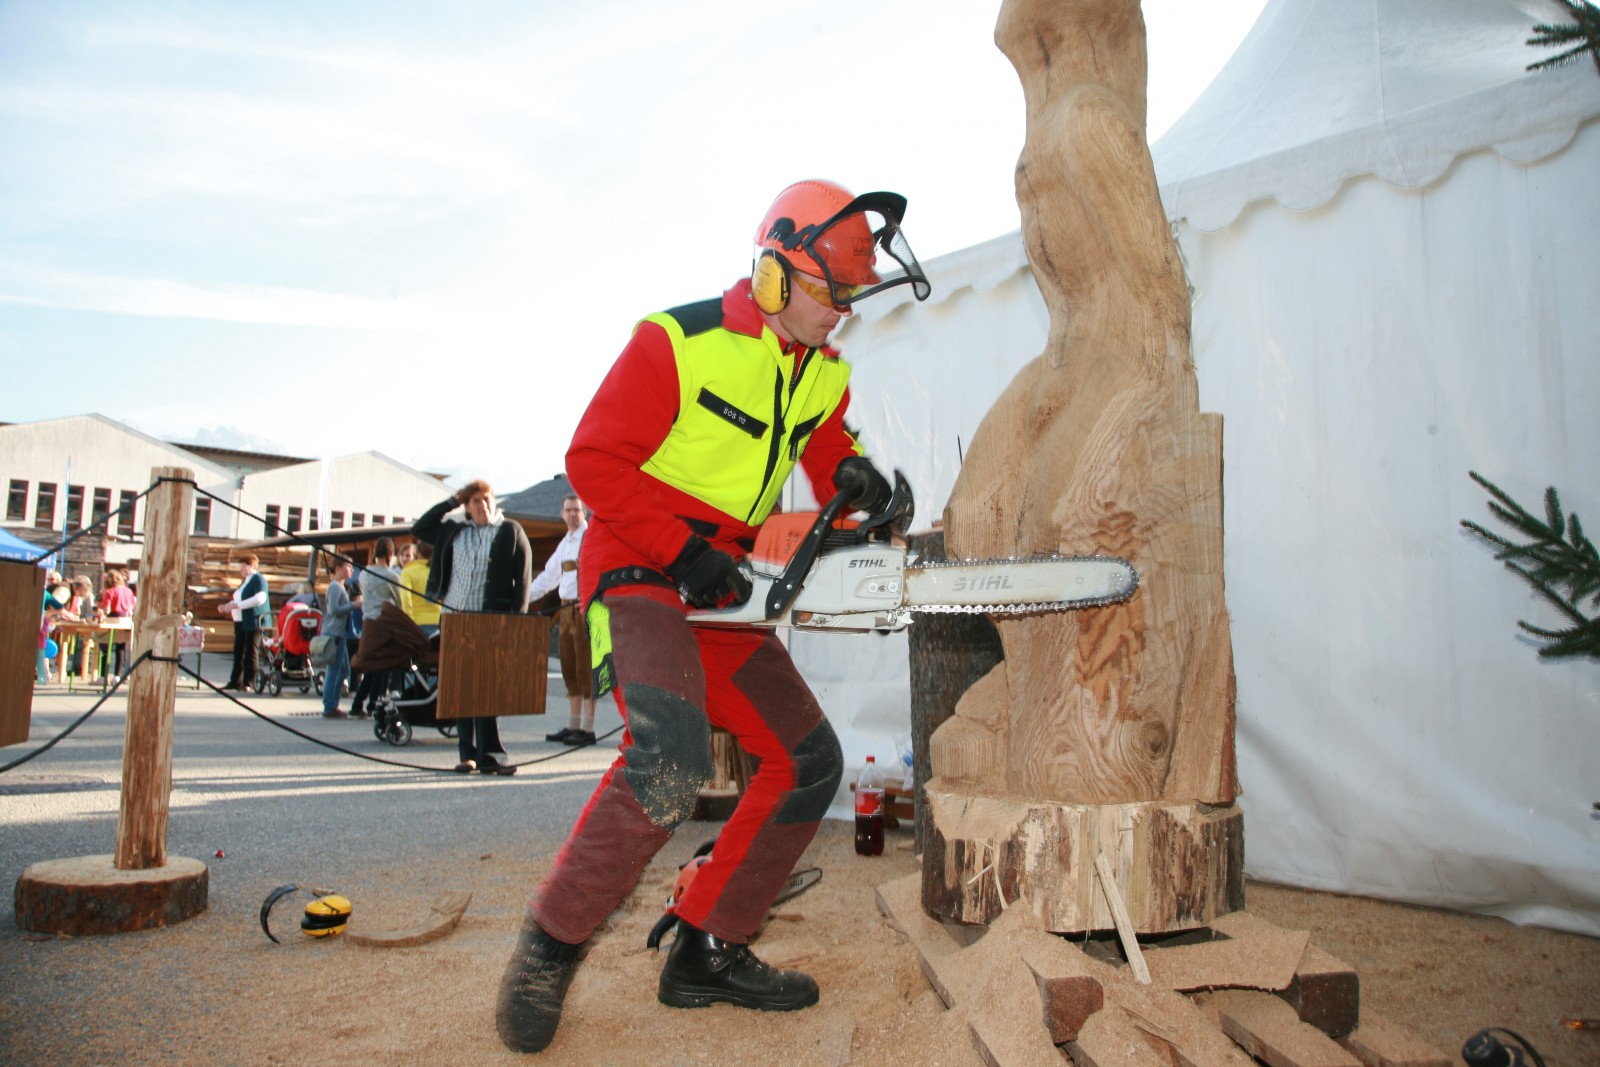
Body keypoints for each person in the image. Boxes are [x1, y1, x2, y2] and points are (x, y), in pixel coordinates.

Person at [494, 178, 928, 1054]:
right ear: (774, 271)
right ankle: (548, 947)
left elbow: (832, 449)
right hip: (644, 567)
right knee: (670, 757)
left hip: (728, 588)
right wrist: (682, 548)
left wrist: (865, 488)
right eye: (830, 293)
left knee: (809, 759)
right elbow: (592, 458)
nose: (840, 314)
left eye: (851, 298)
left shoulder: (820, 373)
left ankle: (709, 943)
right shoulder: (677, 343)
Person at [412, 479, 532, 776]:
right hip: (455, 618)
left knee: (488, 689)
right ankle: (467, 754)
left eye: (487, 499)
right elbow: (421, 528)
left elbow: (524, 582)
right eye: (475, 501)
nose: (483, 506)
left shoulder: (510, 531)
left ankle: (491, 754)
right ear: (467, 506)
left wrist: (516, 624)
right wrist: (453, 500)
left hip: (491, 621)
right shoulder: (455, 531)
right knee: (460, 688)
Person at [530, 493, 597, 746]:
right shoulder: (565, 543)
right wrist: (523, 597)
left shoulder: (590, 538)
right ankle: (573, 724)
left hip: (585, 609)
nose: (572, 514)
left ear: (584, 513)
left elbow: (602, 571)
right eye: (568, 510)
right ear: (561, 514)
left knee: (586, 666)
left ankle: (588, 728)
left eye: (576, 510)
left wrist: (590, 599)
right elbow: (549, 577)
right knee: (569, 665)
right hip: (566, 609)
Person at [351, 536, 403, 717]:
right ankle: (374, 704)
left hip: (368, 622)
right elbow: (399, 601)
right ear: (391, 553)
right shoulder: (391, 576)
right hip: (384, 623)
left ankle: (357, 705)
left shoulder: (364, 574)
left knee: (372, 665)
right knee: (382, 664)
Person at [218, 553, 271, 691]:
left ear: (252, 565)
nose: (240, 570)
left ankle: (249, 681)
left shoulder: (258, 579)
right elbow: (238, 599)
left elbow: (260, 598)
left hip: (254, 620)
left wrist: (237, 605)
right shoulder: (245, 580)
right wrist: (227, 606)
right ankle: (235, 681)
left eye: (243, 566)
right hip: (241, 621)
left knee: (250, 651)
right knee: (238, 651)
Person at [320, 557, 358, 719]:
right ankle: (329, 705)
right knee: (334, 670)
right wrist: (353, 605)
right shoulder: (336, 587)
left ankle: (333, 702)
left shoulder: (342, 586)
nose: (351, 570)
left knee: (344, 670)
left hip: (340, 633)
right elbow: (334, 609)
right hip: (334, 633)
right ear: (338, 569)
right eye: (348, 567)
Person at [98, 568, 136, 679]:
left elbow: (107, 610)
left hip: (112, 619)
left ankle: (103, 676)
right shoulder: (128, 591)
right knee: (121, 648)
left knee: (105, 646)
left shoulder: (110, 592)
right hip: (126, 620)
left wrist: (102, 611)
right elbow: (132, 606)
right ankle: (117, 675)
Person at [398, 540, 441, 634]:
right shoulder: (439, 571)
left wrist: (409, 621)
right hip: (440, 621)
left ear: (417, 553)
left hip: (417, 622)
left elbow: (406, 599)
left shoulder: (408, 571)